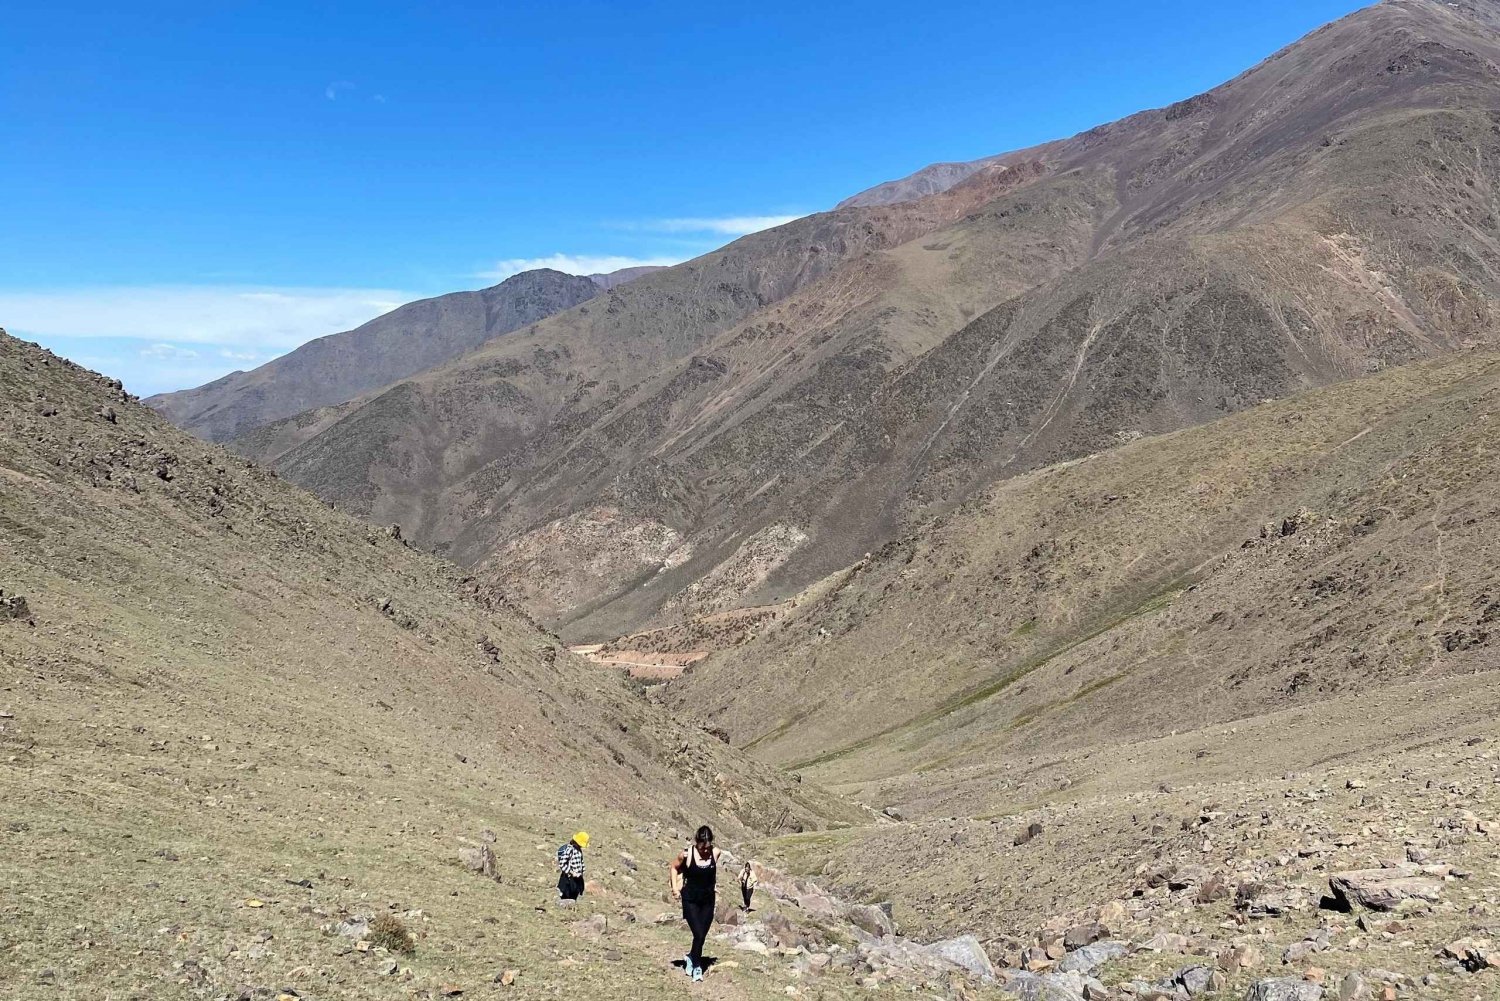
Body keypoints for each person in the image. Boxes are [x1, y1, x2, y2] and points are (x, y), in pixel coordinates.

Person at [669, 825, 719, 982]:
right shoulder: (687, 855)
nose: (705, 851)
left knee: (702, 935)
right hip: (690, 899)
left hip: (708, 900)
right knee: (697, 933)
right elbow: (673, 867)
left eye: (707, 847)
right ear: (696, 842)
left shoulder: (715, 853)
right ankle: (697, 967)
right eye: (702, 847)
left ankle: (691, 956)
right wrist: (675, 889)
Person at [556, 831, 588, 901]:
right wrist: (571, 872)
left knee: (575, 895)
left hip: (577, 878)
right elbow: (562, 863)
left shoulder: (579, 850)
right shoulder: (570, 849)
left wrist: (581, 872)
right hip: (569, 878)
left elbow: (581, 862)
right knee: (567, 896)